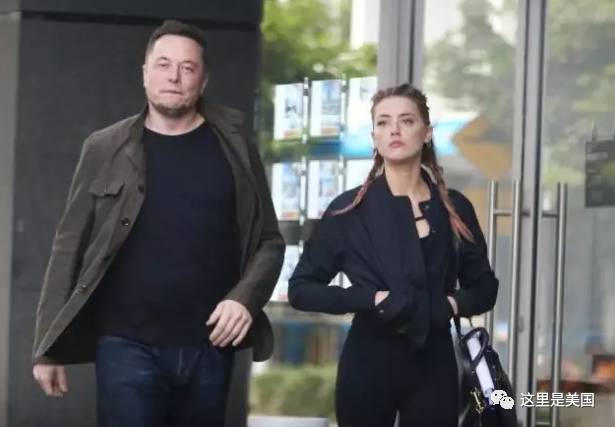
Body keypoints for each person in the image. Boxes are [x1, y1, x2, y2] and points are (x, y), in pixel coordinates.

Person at [32, 19, 284, 427]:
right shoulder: (105, 147)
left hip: (210, 344)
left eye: (187, 67)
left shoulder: (235, 143)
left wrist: (245, 298)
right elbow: (68, 247)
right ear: (145, 73)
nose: (174, 76)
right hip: (125, 344)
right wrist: (47, 347)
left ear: (203, 80)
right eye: (163, 64)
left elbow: (269, 242)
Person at [288, 83, 499, 427]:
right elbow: (301, 289)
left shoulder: (455, 207)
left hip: (434, 366)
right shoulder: (348, 210)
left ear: (426, 133)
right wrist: (370, 298)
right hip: (368, 362)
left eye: (407, 120)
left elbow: (485, 288)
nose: (394, 130)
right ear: (374, 136)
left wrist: (449, 304)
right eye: (383, 122)